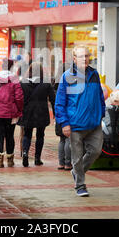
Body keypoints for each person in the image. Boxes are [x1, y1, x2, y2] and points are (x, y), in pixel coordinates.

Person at [55, 45, 105, 197]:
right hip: (75, 124)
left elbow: (100, 97)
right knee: (76, 157)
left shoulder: (94, 74)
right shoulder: (67, 77)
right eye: (81, 56)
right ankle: (80, 185)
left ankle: (76, 172)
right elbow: (59, 102)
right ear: (74, 59)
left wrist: (101, 113)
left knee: (96, 151)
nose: (85, 59)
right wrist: (64, 123)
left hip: (94, 123)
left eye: (87, 56)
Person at [20, 62, 55, 167]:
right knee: (40, 135)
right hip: (41, 112)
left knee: (27, 134)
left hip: (27, 112)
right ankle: (37, 158)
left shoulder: (23, 83)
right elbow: (53, 99)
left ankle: (25, 153)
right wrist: (55, 113)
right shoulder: (46, 83)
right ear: (41, 71)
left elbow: (19, 98)